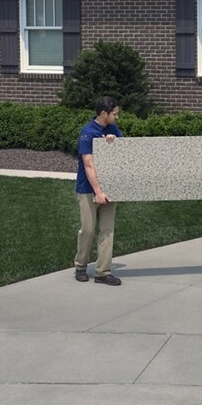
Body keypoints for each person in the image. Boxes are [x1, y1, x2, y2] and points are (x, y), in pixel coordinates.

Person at [74, 96, 123, 285]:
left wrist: (113, 144)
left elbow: (124, 153)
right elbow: (88, 165)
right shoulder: (87, 133)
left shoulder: (113, 129)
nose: (116, 118)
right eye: (114, 114)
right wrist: (98, 192)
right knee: (87, 229)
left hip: (110, 188)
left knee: (107, 230)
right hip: (88, 190)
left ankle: (103, 272)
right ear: (104, 114)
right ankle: (80, 266)